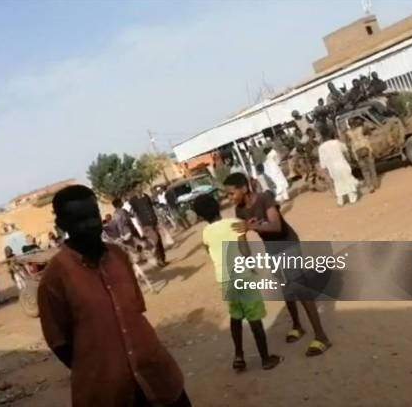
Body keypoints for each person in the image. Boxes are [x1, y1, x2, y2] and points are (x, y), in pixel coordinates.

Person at [37, 185, 189, 406]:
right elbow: (60, 343)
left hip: (158, 378)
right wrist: (105, 365)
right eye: (78, 220)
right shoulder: (54, 279)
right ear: (62, 225)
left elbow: (135, 311)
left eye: (92, 216)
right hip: (110, 393)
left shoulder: (119, 256)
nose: (89, 225)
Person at [223, 173, 331, 357]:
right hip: (272, 248)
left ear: (243, 189)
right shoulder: (240, 210)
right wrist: (247, 260)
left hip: (288, 243)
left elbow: (276, 227)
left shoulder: (265, 199)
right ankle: (297, 325)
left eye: (232, 193)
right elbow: (242, 238)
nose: (230, 198)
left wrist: (251, 227)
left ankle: (322, 337)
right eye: (227, 195)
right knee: (286, 287)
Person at [193, 193, 281, 371]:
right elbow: (245, 250)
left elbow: (209, 251)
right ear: (218, 206)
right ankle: (265, 359)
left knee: (236, 316)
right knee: (254, 318)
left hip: (225, 279)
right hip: (244, 276)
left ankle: (239, 356)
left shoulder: (206, 232)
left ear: (201, 216)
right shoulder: (234, 224)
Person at [129, 183, 167, 266]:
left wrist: (158, 218)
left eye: (140, 186)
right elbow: (133, 213)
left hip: (154, 221)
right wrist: (140, 225)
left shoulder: (146, 196)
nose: (140, 187)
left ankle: (162, 259)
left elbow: (152, 207)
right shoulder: (133, 201)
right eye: (138, 186)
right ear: (135, 189)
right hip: (146, 224)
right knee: (155, 241)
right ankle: (158, 259)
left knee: (159, 240)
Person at [318, 131, 360, 206]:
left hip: (332, 168)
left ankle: (340, 201)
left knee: (338, 183)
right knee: (348, 180)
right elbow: (346, 150)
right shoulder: (337, 142)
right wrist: (349, 159)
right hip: (342, 164)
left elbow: (323, 164)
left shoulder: (321, 148)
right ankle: (352, 199)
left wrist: (326, 173)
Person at [345, 117, 379, 193]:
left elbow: (348, 144)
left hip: (357, 152)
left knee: (364, 171)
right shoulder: (362, 128)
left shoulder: (347, 133)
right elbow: (370, 133)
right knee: (371, 168)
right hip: (366, 149)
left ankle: (370, 186)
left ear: (349, 124)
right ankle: (376, 183)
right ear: (355, 122)